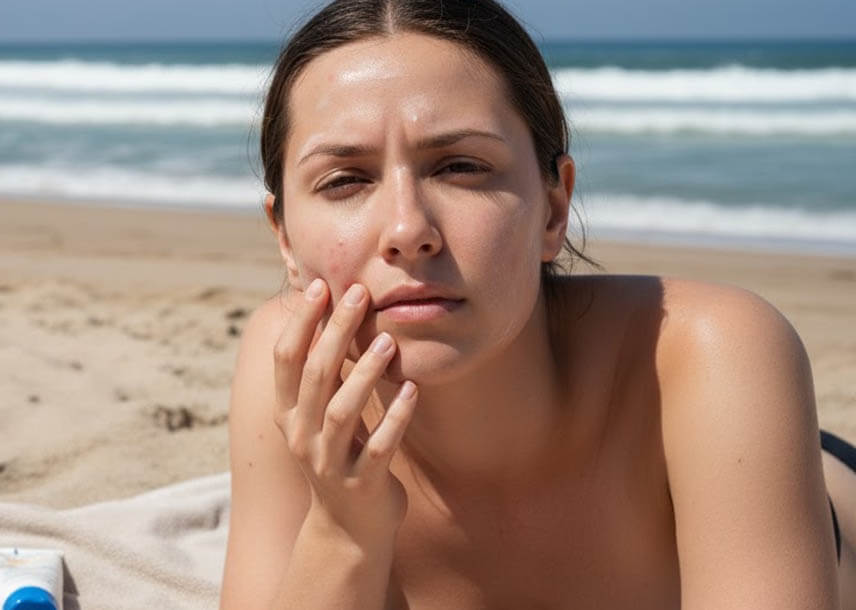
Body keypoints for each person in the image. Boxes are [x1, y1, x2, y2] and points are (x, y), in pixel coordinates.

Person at [219, 0, 856, 608]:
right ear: (284, 237)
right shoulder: (290, 371)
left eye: (460, 167)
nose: (408, 229)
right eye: (345, 180)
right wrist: (341, 529)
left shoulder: (711, 353)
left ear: (553, 208)